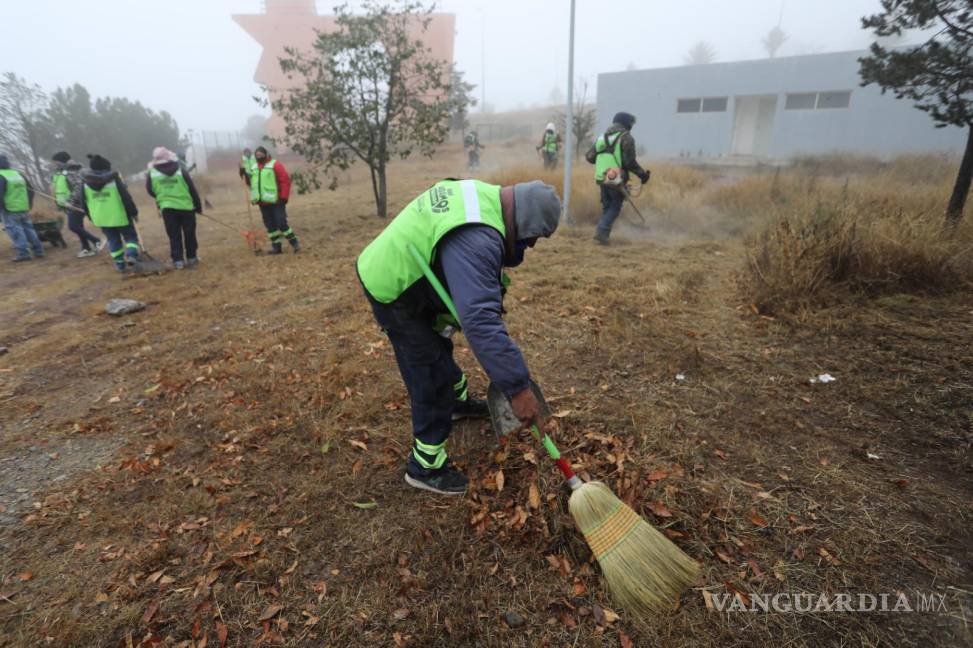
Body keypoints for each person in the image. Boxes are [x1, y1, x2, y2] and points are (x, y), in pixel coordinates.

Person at [357, 179, 561, 495]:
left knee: (437, 344)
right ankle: (425, 466)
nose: (530, 246)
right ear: (522, 222)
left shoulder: (485, 197)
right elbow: (479, 321)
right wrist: (518, 387)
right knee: (430, 370)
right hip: (394, 285)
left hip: (413, 267)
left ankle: (457, 403)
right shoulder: (478, 239)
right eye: (532, 238)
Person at [585, 111, 650, 245]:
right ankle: (601, 232)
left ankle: (603, 236)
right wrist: (643, 175)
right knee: (615, 206)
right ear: (626, 123)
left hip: (601, 176)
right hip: (616, 176)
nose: (631, 126)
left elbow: (589, 157)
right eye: (631, 123)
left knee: (607, 206)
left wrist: (604, 158)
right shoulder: (626, 137)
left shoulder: (602, 137)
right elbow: (629, 162)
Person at [71, 155, 140, 273]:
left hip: (102, 218)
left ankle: (120, 265)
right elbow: (126, 198)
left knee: (113, 240)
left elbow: (84, 202)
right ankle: (131, 255)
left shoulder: (85, 183)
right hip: (120, 216)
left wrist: (91, 216)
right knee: (131, 237)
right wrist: (133, 212)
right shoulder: (114, 180)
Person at [146, 147, 203, 269]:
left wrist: (162, 196)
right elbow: (192, 189)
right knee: (189, 234)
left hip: (167, 208)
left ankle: (178, 261)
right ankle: (192, 258)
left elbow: (150, 190)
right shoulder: (180, 170)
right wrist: (198, 206)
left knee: (174, 235)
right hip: (186, 207)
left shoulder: (152, 173)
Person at [52, 151, 102, 258]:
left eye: (56, 162)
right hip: (69, 204)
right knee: (78, 226)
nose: (54, 165)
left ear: (61, 161)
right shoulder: (62, 172)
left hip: (76, 204)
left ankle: (96, 240)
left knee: (73, 226)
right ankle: (86, 248)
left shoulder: (73, 171)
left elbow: (78, 188)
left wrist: (70, 202)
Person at [251, 146, 299, 254]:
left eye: (260, 155)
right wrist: (243, 173)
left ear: (266, 154)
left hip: (277, 201)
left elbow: (285, 181)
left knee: (281, 223)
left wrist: (284, 197)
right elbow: (252, 183)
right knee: (270, 226)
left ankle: (295, 243)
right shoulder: (254, 167)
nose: (259, 157)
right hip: (262, 202)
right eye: (257, 155)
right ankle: (276, 248)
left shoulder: (275, 164)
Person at [0, 154, 44, 263]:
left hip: (9, 209)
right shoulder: (18, 174)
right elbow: (31, 190)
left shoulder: (1, 176)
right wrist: (28, 204)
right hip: (23, 207)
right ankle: (39, 250)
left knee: (15, 231)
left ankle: (23, 253)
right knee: (29, 229)